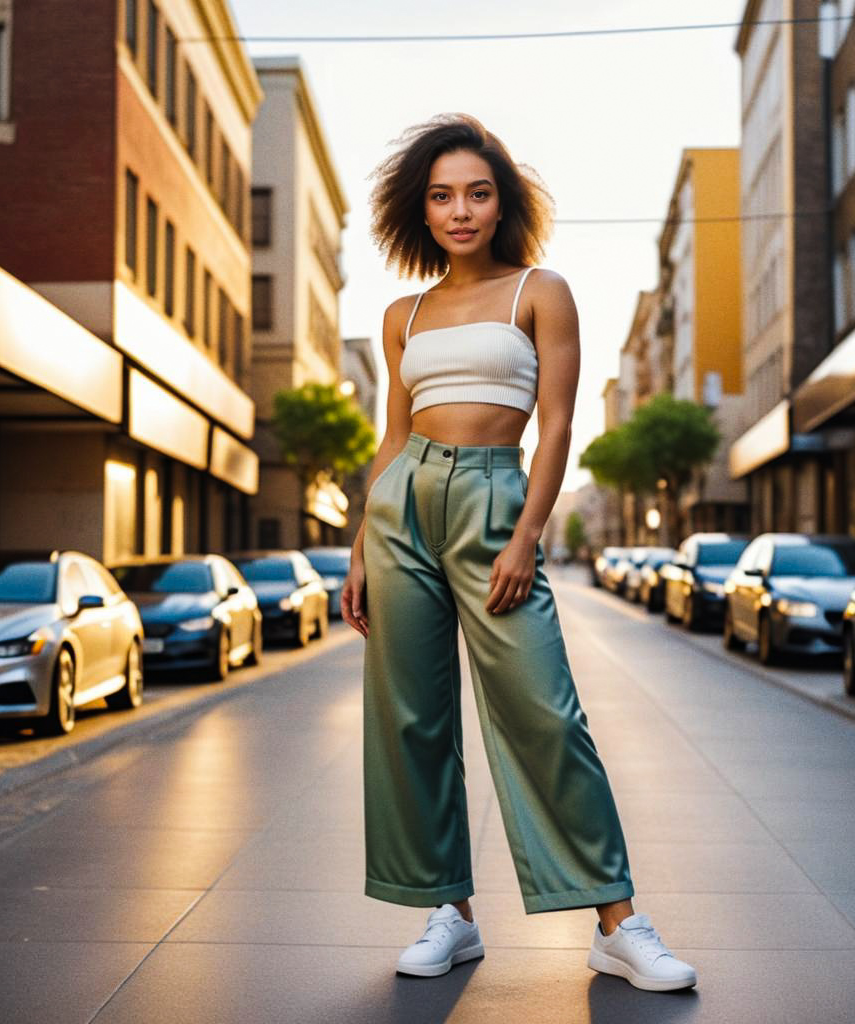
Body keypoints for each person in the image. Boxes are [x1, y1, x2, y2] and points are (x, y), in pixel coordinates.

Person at [341, 113, 696, 993]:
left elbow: (560, 425)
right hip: (404, 507)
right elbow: (392, 436)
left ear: (501, 204)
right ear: (419, 210)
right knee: (412, 720)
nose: (460, 209)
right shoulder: (403, 313)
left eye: (476, 192)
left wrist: (527, 533)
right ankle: (447, 912)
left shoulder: (542, 290)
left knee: (545, 713)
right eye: (441, 195)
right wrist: (359, 545)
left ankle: (616, 921)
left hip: (500, 497)